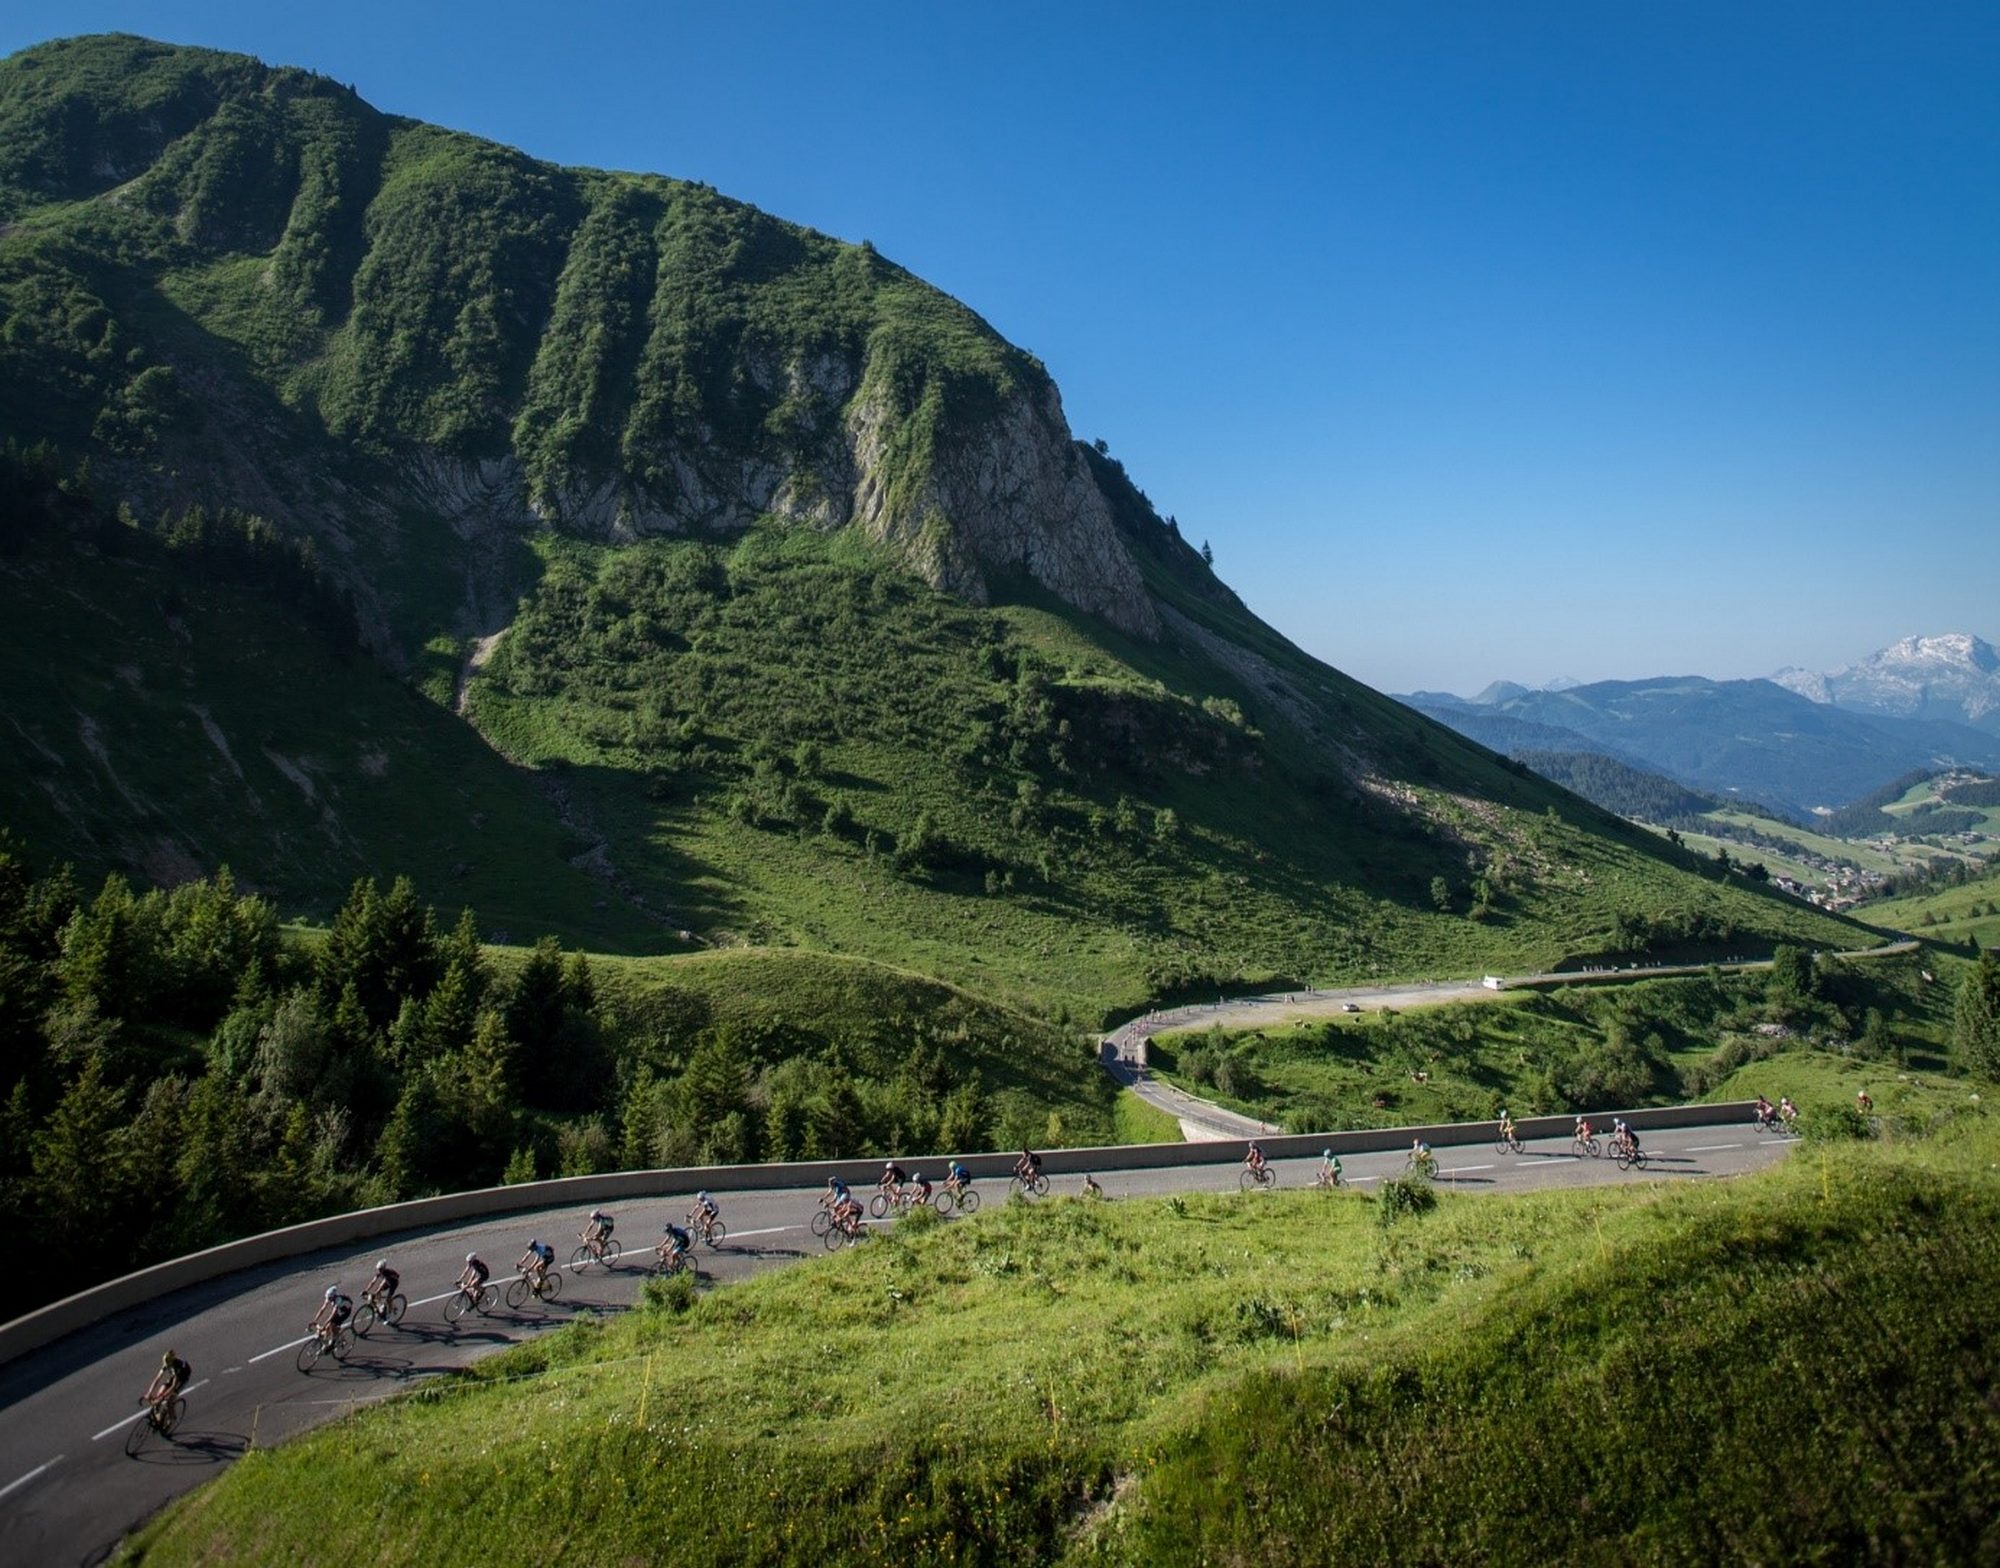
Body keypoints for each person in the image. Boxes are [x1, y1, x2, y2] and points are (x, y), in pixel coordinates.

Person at [145, 1348, 191, 1417]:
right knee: (160, 1392)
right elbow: (157, 1378)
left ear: (171, 1362)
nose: (166, 1366)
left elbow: (173, 1386)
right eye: (166, 1365)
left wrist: (162, 1398)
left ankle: (173, 1419)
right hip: (174, 1376)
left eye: (168, 1366)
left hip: (182, 1379)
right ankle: (157, 1413)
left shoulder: (176, 1367)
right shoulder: (167, 1364)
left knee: (169, 1401)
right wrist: (149, 1392)